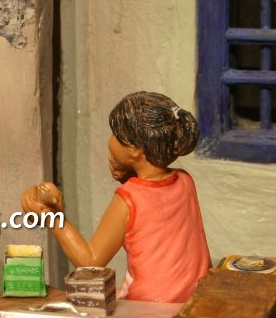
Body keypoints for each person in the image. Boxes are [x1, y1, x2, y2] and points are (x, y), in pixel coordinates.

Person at [21, 91, 210, 303]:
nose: (111, 140)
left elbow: (90, 261)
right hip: (194, 300)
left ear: (136, 150)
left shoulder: (129, 198)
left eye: (116, 136)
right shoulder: (185, 181)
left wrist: (54, 219)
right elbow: (155, 203)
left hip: (149, 306)